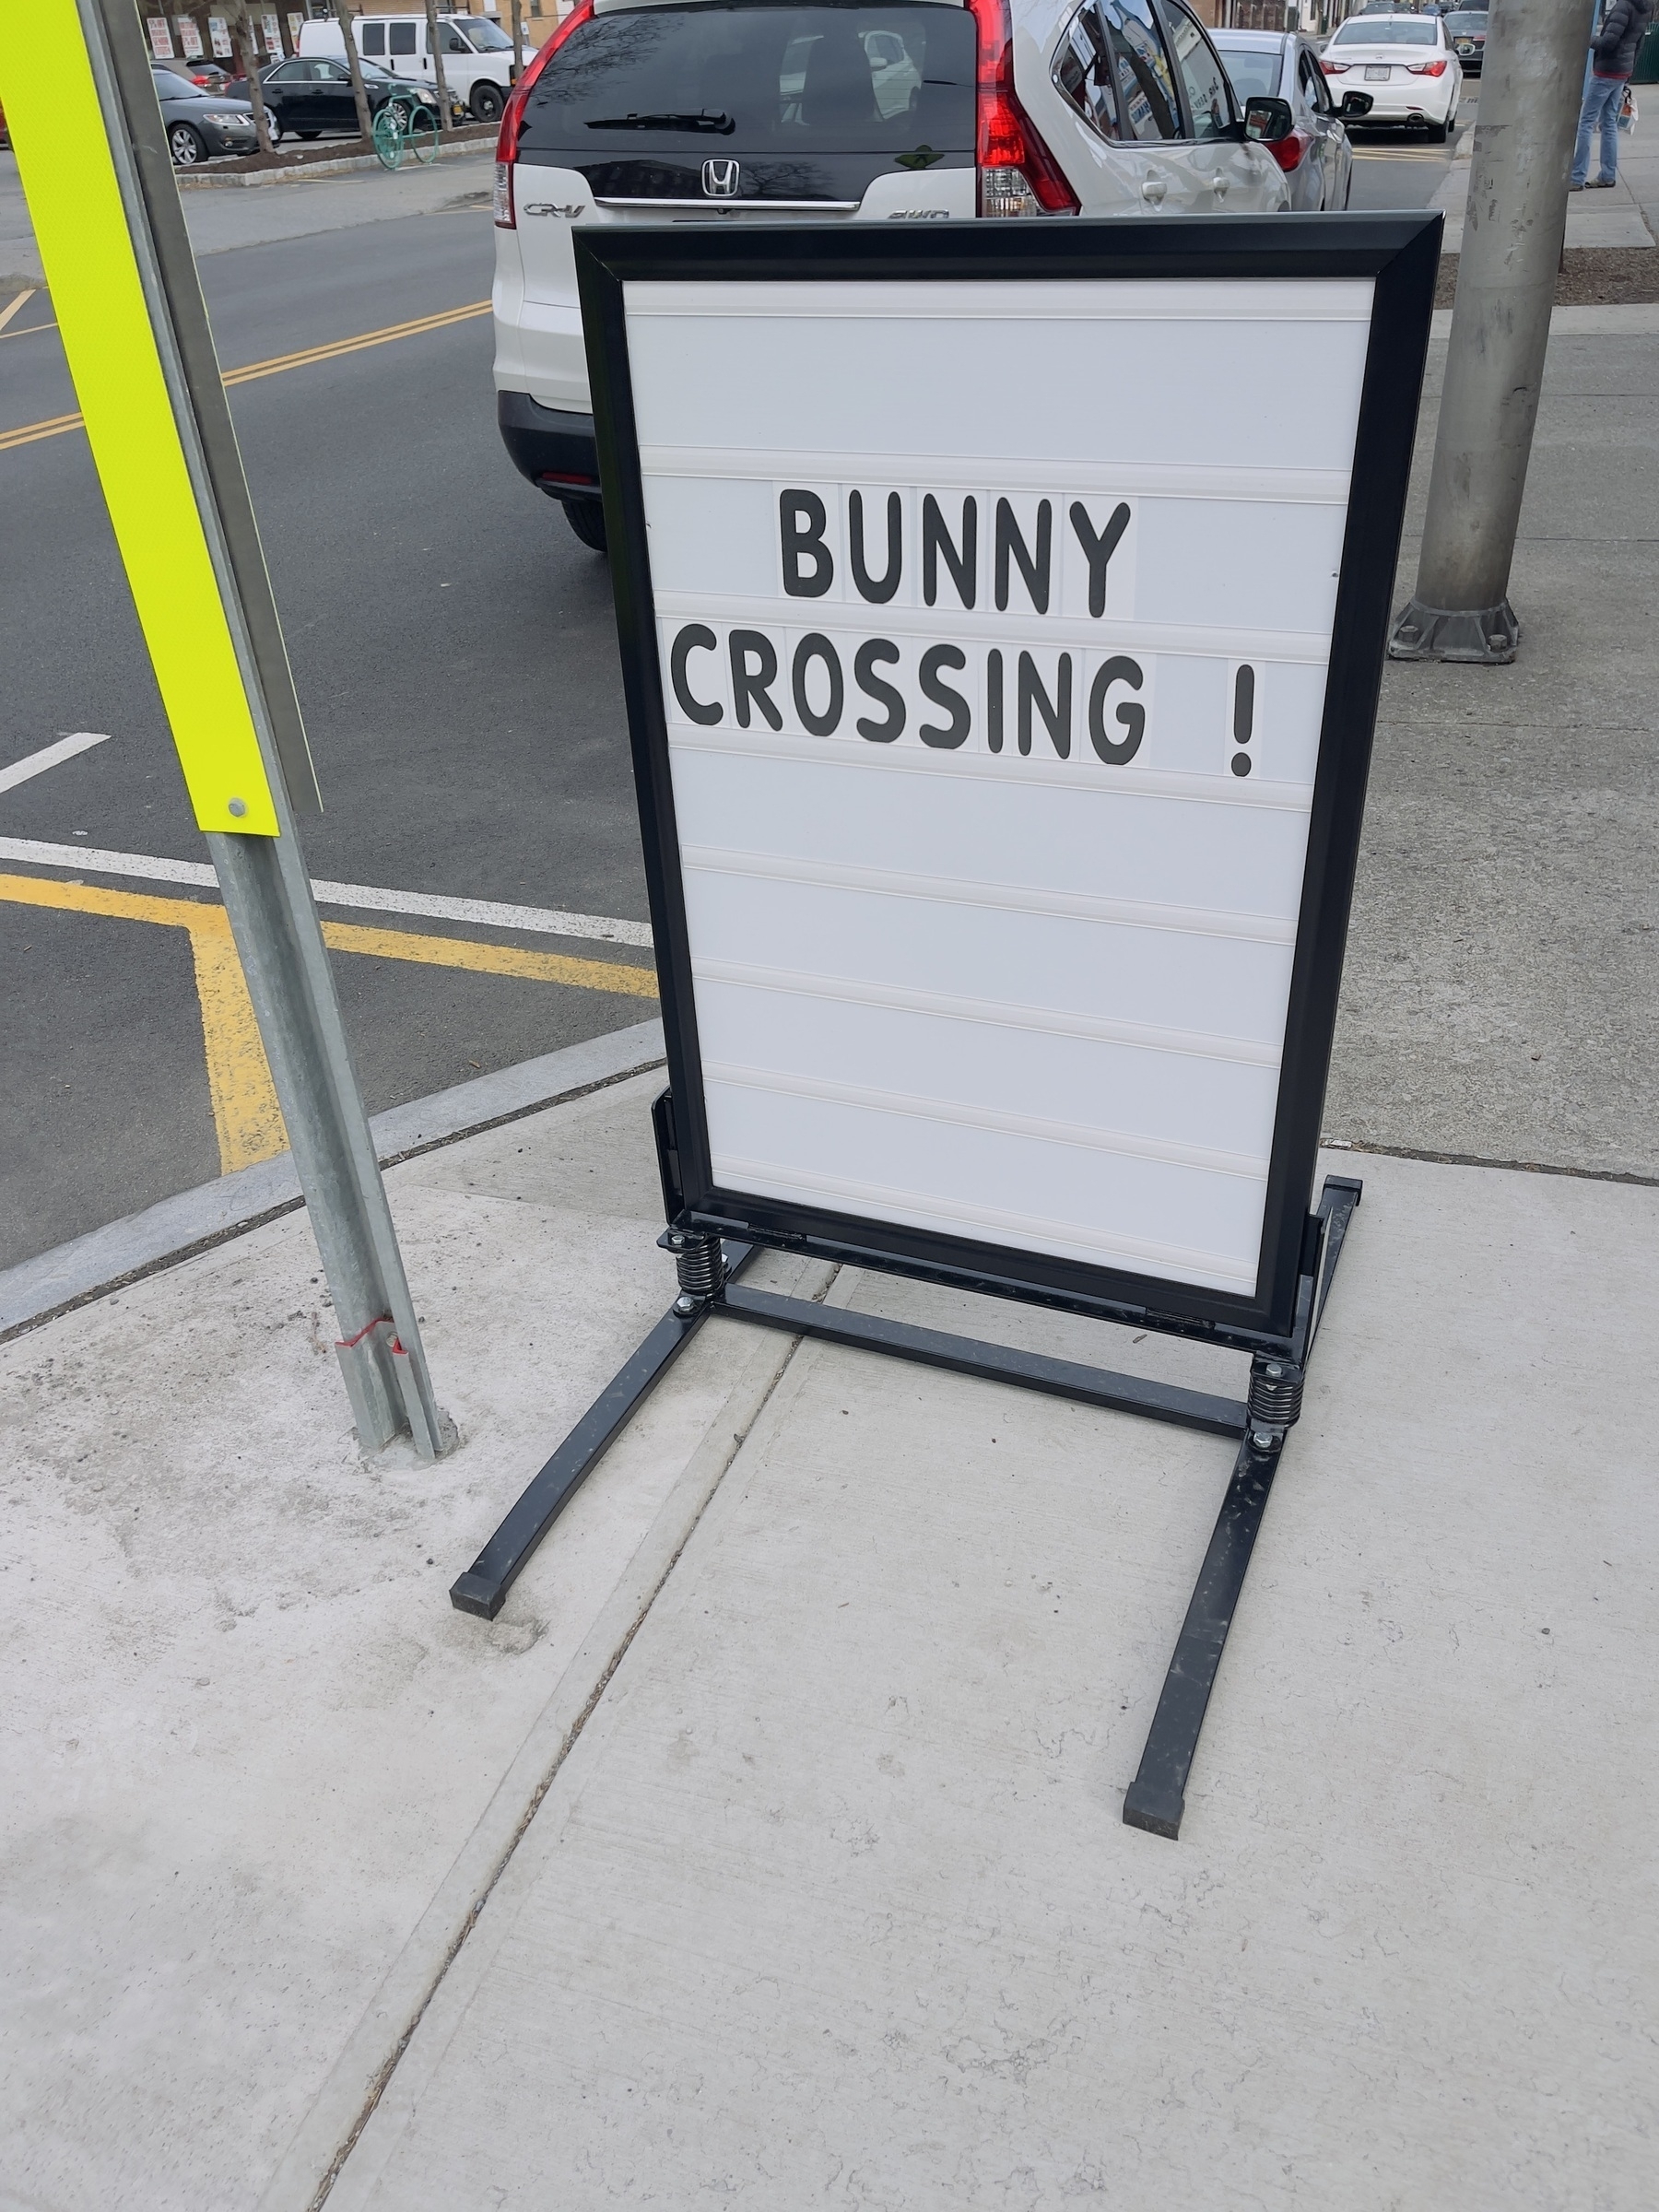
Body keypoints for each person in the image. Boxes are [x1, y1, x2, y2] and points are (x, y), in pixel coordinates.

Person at [1571, 0, 1653, 189]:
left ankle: (1576, 177)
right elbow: (1639, 42)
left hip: (1606, 72)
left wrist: (1587, 38)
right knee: (1609, 123)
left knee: (1586, 123)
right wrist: (1629, 73)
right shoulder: (1646, 7)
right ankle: (1608, 174)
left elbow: (1607, 43)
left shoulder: (1623, 6)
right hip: (1621, 72)